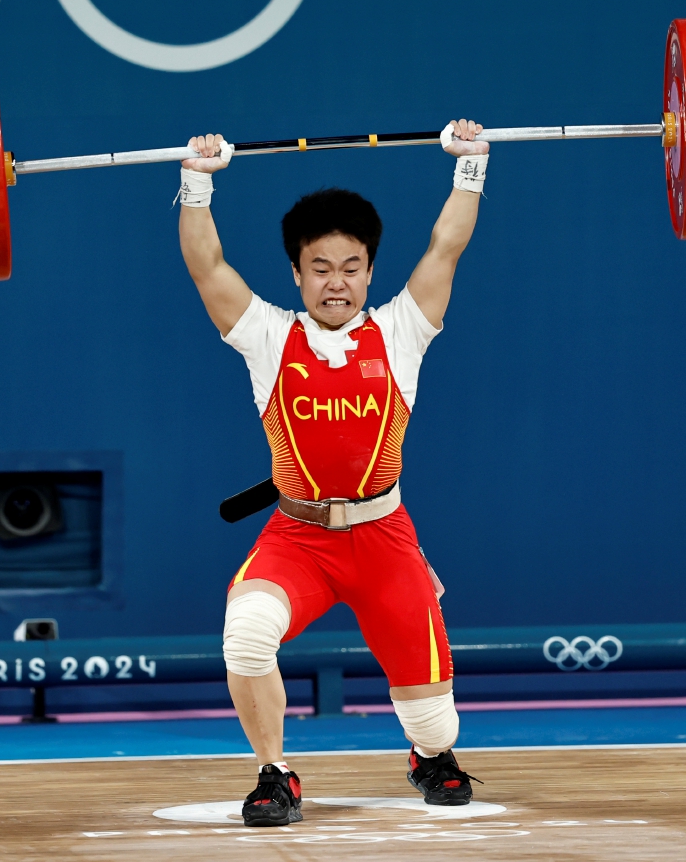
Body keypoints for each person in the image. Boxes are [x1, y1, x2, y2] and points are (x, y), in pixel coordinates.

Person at [177, 119, 489, 827]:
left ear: (371, 270)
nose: (336, 282)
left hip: (384, 540)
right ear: (296, 272)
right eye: (320, 267)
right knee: (246, 632)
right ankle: (274, 773)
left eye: (351, 267)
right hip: (299, 539)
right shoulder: (268, 336)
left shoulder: (402, 330)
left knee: (438, 722)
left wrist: (470, 166)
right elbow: (207, 266)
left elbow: (447, 245)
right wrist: (197, 182)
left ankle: (427, 754)